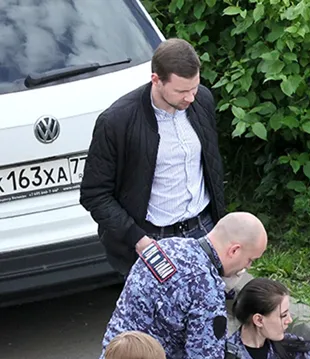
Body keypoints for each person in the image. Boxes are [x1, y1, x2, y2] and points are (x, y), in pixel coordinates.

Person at [96, 211, 268, 359]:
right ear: (234, 250)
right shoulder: (206, 287)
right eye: (249, 260)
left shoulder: (166, 247)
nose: (246, 268)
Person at [80, 38, 225, 277]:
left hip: (203, 230)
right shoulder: (117, 121)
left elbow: (211, 164)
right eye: (181, 91)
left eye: (195, 87)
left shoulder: (203, 100)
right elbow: (94, 194)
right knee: (160, 315)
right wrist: (138, 240)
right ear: (156, 80)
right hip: (152, 241)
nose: (190, 97)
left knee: (207, 313)